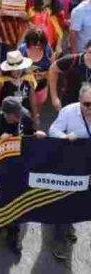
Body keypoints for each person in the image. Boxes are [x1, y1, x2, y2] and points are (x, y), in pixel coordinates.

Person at [48, 83, 91, 259]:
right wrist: (64, 137)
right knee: (65, 199)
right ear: (79, 101)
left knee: (81, 199)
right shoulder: (68, 111)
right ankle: (59, 239)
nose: (90, 108)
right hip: (69, 164)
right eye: (87, 104)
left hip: (88, 166)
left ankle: (69, 224)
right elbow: (53, 130)